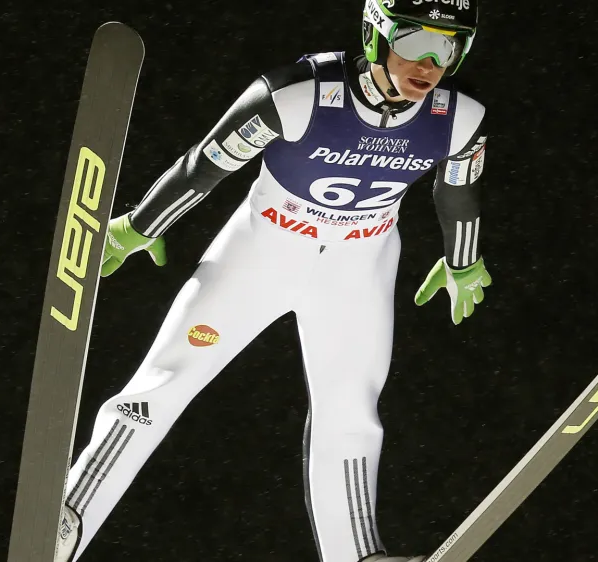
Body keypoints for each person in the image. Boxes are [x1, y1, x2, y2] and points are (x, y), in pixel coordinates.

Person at [57, 1, 490, 560]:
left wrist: (463, 260)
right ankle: (66, 520)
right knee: (163, 382)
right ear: (375, 35)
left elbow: (457, 190)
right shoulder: (297, 94)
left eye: (447, 49)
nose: (427, 65)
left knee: (351, 411)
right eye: (413, 44)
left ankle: (358, 554)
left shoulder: (461, 117)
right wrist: (142, 225)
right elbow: (205, 164)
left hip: (356, 271)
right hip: (260, 257)